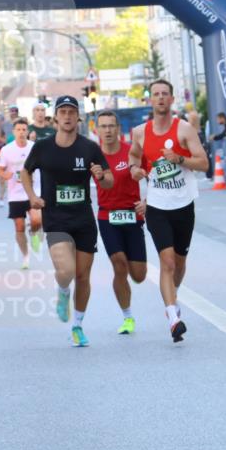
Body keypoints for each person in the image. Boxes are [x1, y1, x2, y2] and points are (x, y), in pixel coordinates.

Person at [21, 95, 113, 347]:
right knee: (67, 271)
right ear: (55, 118)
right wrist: (32, 197)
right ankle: (63, 292)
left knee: (83, 276)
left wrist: (101, 176)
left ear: (78, 117)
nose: (68, 116)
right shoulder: (42, 147)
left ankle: (78, 326)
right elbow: (25, 172)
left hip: (84, 219)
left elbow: (108, 181)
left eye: (72, 111)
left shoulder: (89, 147)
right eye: (63, 112)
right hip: (56, 219)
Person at [128, 80, 209, 343]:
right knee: (168, 262)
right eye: (156, 95)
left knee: (180, 262)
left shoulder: (184, 129)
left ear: (171, 99)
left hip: (184, 204)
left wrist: (180, 159)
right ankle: (173, 317)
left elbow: (204, 163)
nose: (160, 98)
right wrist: (135, 170)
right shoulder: (140, 132)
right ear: (150, 100)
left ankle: (171, 296)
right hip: (157, 206)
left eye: (165, 94)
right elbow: (133, 156)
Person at [93, 110, 147, 335]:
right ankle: (127, 317)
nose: (107, 130)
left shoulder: (131, 152)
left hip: (133, 215)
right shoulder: (93, 155)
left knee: (139, 275)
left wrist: (148, 201)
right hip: (107, 216)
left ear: (118, 129)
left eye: (111, 126)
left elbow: (155, 175)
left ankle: (132, 280)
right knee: (119, 264)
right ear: (97, 130)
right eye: (103, 126)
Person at [0, 118, 42, 269]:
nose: (22, 132)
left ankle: (34, 233)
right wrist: (5, 175)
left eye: (24, 129)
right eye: (19, 130)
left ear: (27, 132)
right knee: (19, 226)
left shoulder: (34, 147)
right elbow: (0, 169)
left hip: (33, 192)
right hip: (15, 194)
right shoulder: (6, 150)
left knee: (37, 220)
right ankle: (26, 256)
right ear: (14, 132)